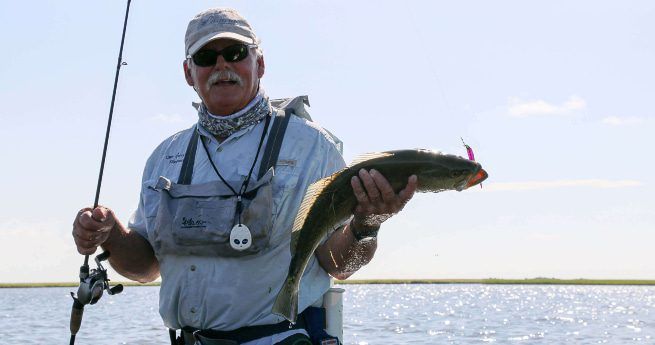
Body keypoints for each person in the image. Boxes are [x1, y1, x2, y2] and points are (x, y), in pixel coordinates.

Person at [72, 8, 417, 345]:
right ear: (189, 73)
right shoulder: (164, 156)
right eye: (206, 57)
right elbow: (147, 268)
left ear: (260, 64)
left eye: (236, 53)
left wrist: (367, 224)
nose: (222, 65)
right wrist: (111, 234)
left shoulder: (313, 146)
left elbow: (337, 264)